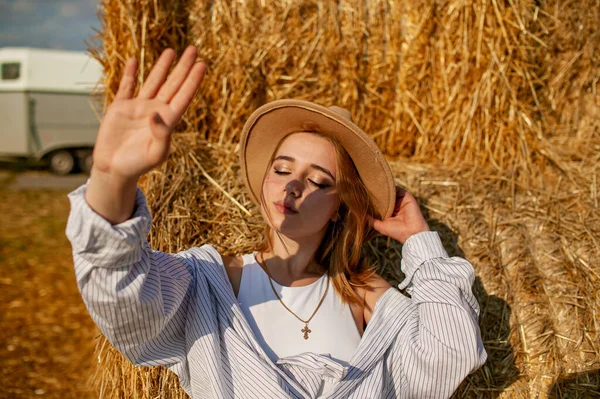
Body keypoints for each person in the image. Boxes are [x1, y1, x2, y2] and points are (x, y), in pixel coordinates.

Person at [66, 46, 487, 398]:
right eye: (282, 169)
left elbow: (451, 352)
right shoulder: (208, 284)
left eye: (319, 180)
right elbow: (119, 292)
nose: (294, 186)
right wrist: (111, 178)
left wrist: (420, 242)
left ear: (342, 205)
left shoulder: (367, 298)